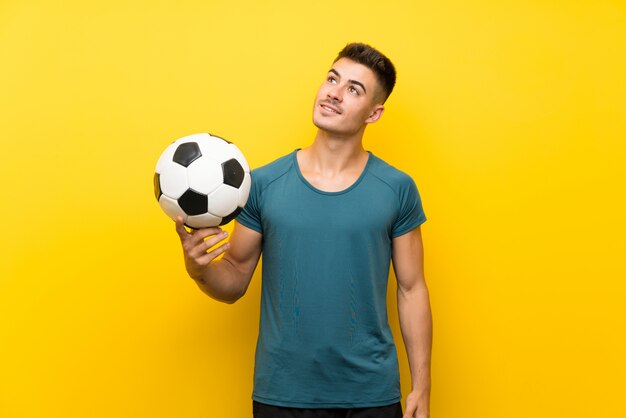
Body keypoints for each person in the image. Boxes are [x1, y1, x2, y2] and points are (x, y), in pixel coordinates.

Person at [175, 43, 432, 418]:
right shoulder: (262, 183)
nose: (333, 92)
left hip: (370, 395)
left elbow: (412, 289)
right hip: (283, 395)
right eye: (332, 78)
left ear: (374, 113)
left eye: (353, 89)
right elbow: (232, 282)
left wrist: (422, 387)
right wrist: (198, 269)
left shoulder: (397, 188)